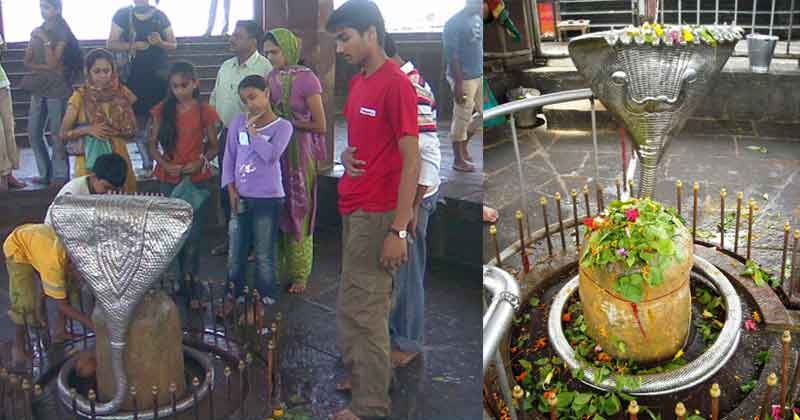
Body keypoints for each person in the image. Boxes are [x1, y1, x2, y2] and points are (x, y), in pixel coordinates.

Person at [326, 1, 421, 419]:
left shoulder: (396, 84)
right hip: (355, 205)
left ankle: (369, 405)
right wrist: (347, 155)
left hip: (378, 212)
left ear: (371, 34)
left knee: (363, 309)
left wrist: (398, 229)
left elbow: (413, 159)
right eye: (336, 41)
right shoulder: (359, 81)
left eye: (344, 38)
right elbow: (365, 138)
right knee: (359, 304)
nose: (339, 48)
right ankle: (370, 375)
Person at [221, 74, 292, 317]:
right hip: (240, 195)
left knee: (263, 253)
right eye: (245, 100)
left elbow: (270, 156)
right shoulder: (237, 122)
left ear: (267, 93)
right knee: (235, 252)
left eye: (253, 97)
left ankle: (264, 299)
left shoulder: (283, 127)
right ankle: (234, 295)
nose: (249, 104)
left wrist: (254, 134)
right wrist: (230, 188)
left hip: (268, 199)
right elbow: (229, 157)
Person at [263, 28, 327, 295]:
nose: (271, 58)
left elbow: (320, 124)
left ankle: (300, 272)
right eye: (267, 53)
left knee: (300, 207)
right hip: (277, 151)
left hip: (300, 152)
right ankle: (278, 268)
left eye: (274, 52)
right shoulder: (271, 78)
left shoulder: (307, 79)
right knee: (278, 205)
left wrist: (289, 123)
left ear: (288, 50)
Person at [149, 61, 220, 292]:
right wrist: (165, 165)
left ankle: (191, 280)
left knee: (193, 235)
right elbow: (152, 146)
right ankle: (177, 280)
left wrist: (201, 161)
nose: (179, 91)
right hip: (169, 177)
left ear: (195, 84)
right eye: (175, 86)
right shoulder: (162, 110)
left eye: (184, 85)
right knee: (172, 234)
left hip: (196, 177)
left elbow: (214, 146)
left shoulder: (204, 111)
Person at [209, 20, 272, 257]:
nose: (232, 38)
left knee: (251, 190)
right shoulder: (226, 66)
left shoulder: (264, 68)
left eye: (238, 35)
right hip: (227, 135)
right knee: (228, 187)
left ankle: (253, 244)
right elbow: (215, 99)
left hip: (253, 136)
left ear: (253, 42)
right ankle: (232, 239)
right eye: (233, 34)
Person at [4, 223, 95, 364]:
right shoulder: (54, 264)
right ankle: (18, 348)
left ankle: (60, 332)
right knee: (24, 303)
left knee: (69, 287)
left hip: (38, 243)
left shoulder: (74, 250)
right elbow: (62, 305)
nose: (81, 277)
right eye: (79, 273)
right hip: (17, 247)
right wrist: (92, 325)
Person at [107, 0, 177, 176]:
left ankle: (163, 160)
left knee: (159, 119)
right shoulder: (123, 15)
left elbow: (173, 44)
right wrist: (133, 46)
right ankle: (147, 163)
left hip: (158, 78)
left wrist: (160, 42)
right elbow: (111, 43)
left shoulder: (160, 17)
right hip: (133, 77)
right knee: (137, 121)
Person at [60, 48, 139, 193]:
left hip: (118, 158)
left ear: (113, 71)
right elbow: (63, 134)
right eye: (97, 71)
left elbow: (132, 129)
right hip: (90, 162)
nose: (103, 76)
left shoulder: (122, 93)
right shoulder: (79, 97)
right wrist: (88, 129)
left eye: (106, 71)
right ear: (88, 72)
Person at [23, 0, 83, 188]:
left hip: (58, 88)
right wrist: (46, 68)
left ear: (57, 9)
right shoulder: (37, 30)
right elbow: (28, 61)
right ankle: (44, 172)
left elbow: (53, 63)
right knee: (33, 131)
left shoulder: (62, 31)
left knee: (58, 133)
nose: (43, 11)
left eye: (47, 7)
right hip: (39, 86)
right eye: (41, 7)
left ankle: (60, 174)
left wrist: (45, 41)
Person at [443, 0, 483, 172]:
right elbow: (452, 57)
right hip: (464, 78)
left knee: (485, 114)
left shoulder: (477, 18)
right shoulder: (453, 24)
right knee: (461, 117)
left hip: (479, 75)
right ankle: (457, 159)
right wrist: (458, 84)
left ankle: (463, 145)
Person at [44, 152, 129, 225]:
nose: (109, 193)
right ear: (93, 177)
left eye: (115, 190)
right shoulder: (73, 194)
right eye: (106, 187)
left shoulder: (101, 190)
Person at [0, 34, 24, 192]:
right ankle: (3, 173)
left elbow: (2, 47)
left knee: (9, 128)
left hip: (2, 83)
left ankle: (9, 173)